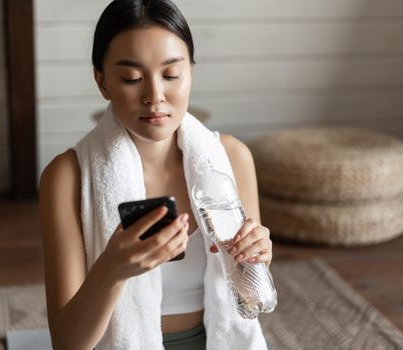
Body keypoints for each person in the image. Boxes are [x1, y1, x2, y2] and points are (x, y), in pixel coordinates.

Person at [39, 0, 273, 349]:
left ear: (191, 73)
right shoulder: (66, 177)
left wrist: (257, 257)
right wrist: (112, 269)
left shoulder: (232, 159)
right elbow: (67, 343)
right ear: (102, 82)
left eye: (171, 74)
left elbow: (252, 298)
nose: (154, 96)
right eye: (131, 78)